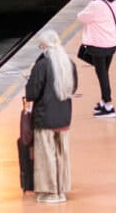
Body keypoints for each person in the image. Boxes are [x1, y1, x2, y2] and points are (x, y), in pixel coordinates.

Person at [25, 29, 77, 202]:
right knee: (62, 153)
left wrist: (29, 80)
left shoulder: (42, 65)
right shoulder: (69, 64)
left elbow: (32, 92)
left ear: (45, 46)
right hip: (64, 116)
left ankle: (50, 192)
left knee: (46, 154)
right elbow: (73, 88)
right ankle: (62, 190)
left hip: (45, 117)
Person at [78, 0, 116, 118]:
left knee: (102, 75)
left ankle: (109, 106)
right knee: (104, 73)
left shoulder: (96, 4)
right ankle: (103, 101)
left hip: (98, 46)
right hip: (111, 44)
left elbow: (81, 17)